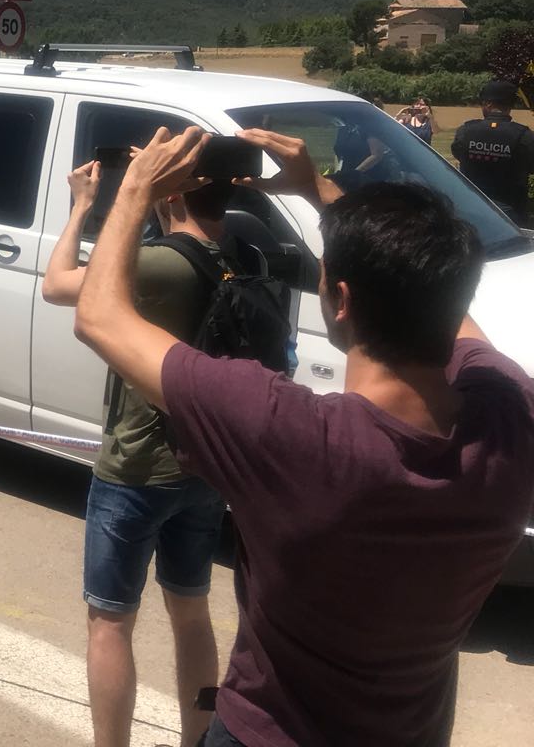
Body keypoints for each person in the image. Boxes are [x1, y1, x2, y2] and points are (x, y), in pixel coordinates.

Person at [73, 126, 534, 747]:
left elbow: (100, 316)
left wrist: (133, 192)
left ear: (338, 299)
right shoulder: (510, 415)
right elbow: (458, 322)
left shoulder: (293, 438)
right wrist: (322, 192)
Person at [41, 158, 234, 747]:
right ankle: (198, 738)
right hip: (206, 464)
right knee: (192, 611)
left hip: (137, 466)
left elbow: (57, 285)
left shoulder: (159, 263)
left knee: (110, 622)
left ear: (173, 194)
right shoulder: (242, 256)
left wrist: (82, 206)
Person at [452, 78, 534, 227]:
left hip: (472, 207)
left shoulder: (466, 130)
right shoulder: (524, 136)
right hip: (510, 212)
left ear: (488, 104)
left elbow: (458, 153)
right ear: (510, 105)